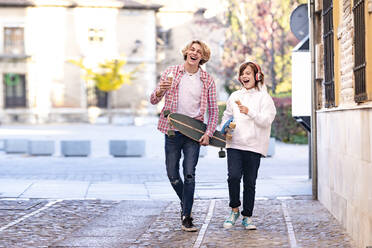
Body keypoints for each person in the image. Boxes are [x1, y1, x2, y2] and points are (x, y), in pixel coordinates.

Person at [150, 40, 218, 232]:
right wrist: (161, 90)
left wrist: (208, 133)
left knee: (189, 173)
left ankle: (186, 216)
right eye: (192, 49)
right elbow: (154, 99)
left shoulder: (207, 80)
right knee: (172, 174)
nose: (194, 53)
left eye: (199, 52)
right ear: (186, 51)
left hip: (193, 133)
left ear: (203, 58)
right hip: (172, 130)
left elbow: (213, 111)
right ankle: (186, 202)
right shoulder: (171, 72)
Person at [221, 61, 276, 230]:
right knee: (234, 177)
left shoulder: (264, 98)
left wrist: (249, 112)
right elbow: (226, 116)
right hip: (234, 144)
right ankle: (234, 210)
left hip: (254, 146)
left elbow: (267, 120)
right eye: (242, 73)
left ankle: (247, 216)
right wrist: (225, 128)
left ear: (257, 76)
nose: (245, 76)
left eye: (248, 73)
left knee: (250, 182)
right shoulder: (234, 96)